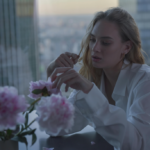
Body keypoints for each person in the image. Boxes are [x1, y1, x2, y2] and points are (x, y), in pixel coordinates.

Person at [47, 7, 150, 150]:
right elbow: (56, 127)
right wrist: (50, 78)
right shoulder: (94, 78)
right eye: (92, 40)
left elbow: (138, 144)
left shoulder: (145, 80)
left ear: (126, 47)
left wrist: (89, 92)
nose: (95, 48)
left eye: (105, 42)